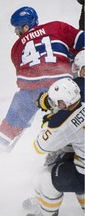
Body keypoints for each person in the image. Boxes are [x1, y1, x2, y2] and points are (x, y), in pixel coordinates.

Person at [0, 6, 85, 172]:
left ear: (26, 27)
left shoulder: (16, 48)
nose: (16, 32)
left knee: (8, 127)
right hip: (61, 84)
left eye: (17, 28)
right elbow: (82, 42)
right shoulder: (57, 27)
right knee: (71, 117)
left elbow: (22, 74)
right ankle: (65, 156)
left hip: (30, 90)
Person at [22, 78, 84, 216]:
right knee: (70, 159)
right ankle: (42, 201)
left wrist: (48, 124)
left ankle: (46, 213)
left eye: (56, 102)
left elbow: (39, 147)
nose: (54, 104)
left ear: (63, 103)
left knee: (46, 175)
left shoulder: (63, 123)